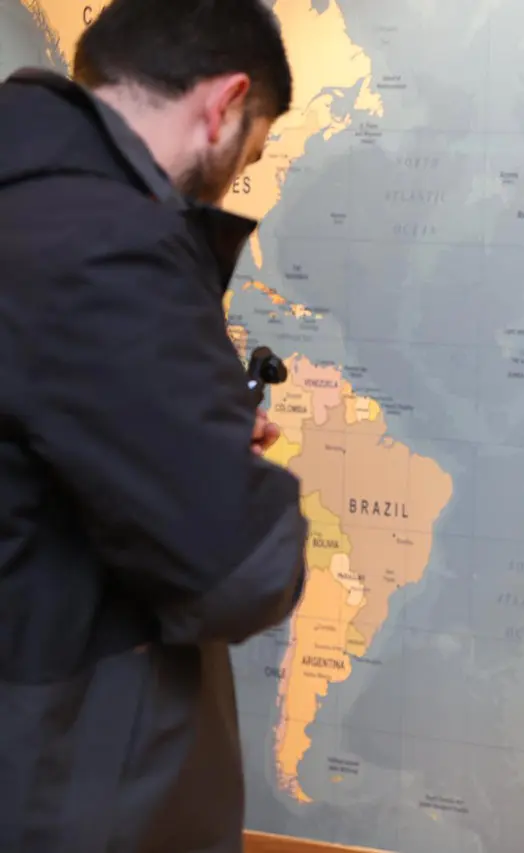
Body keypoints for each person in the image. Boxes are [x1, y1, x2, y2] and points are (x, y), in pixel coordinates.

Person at [0, 2, 308, 851]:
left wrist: (184, 432)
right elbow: (240, 568)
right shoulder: (110, 245)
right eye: (250, 153)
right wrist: (225, 457)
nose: (233, 179)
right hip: (67, 779)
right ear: (225, 102)